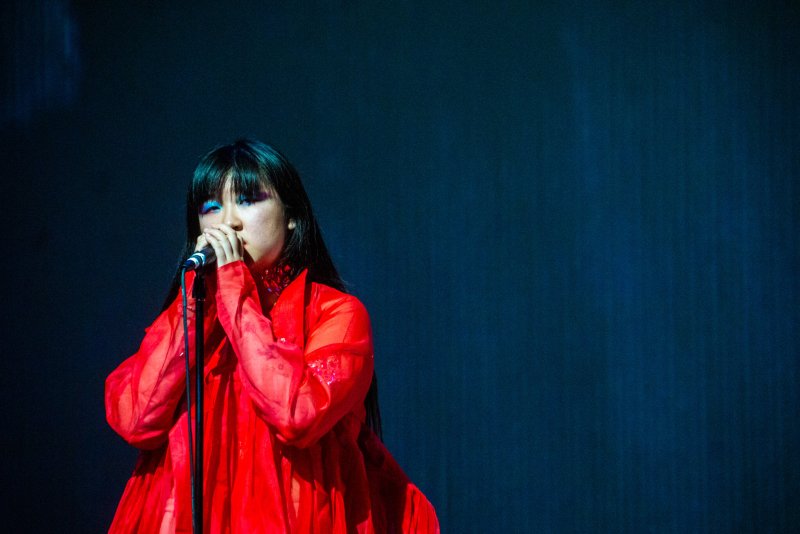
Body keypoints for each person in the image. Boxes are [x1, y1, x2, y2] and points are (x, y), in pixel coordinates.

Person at [105, 139, 439, 533]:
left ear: (292, 216)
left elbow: (296, 414)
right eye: (210, 207)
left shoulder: (337, 314)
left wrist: (233, 290)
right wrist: (196, 309)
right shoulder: (190, 315)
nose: (227, 222)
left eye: (247, 200)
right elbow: (136, 419)